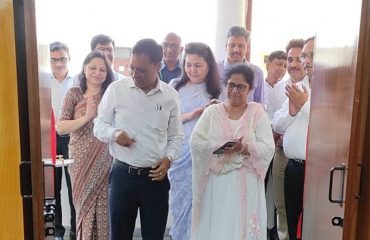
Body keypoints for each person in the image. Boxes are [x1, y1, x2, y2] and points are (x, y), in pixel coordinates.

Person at [93, 38, 183, 240]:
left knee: (154, 235)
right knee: (120, 235)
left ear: (157, 66)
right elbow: (99, 125)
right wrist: (115, 135)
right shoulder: (117, 90)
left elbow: (176, 136)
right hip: (122, 175)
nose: (134, 74)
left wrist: (169, 159)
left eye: (141, 70)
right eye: (132, 68)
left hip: (155, 178)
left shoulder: (170, 95)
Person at [190, 64, 275, 240]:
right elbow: (196, 142)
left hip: (247, 182)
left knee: (241, 227)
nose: (235, 90)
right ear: (225, 86)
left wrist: (244, 148)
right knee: (219, 225)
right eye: (231, 85)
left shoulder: (257, 113)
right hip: (218, 183)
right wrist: (222, 147)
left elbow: (268, 148)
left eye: (241, 86)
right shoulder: (212, 112)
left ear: (250, 89)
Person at [168, 42, 223, 240]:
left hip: (207, 157)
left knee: (205, 207)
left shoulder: (219, 90)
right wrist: (193, 114)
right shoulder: (175, 86)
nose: (192, 69)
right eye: (188, 64)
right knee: (180, 205)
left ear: (209, 65)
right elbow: (166, 119)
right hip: (179, 155)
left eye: (198, 65)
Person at [57, 50, 114, 240]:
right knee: (82, 208)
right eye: (93, 68)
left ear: (108, 73)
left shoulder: (111, 95)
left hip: (105, 158)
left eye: (102, 70)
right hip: (80, 159)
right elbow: (61, 127)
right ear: (84, 68)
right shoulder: (74, 93)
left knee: (104, 208)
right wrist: (87, 117)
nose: (97, 73)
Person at [272, 37, 314, 240]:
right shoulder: (297, 86)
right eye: (305, 55)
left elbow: (332, 125)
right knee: (289, 218)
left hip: (317, 171)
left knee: (312, 225)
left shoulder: (334, 86)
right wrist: (291, 112)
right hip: (293, 168)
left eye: (309, 56)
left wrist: (305, 105)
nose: (305, 61)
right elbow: (276, 124)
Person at [49, 41, 76, 239]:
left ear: (69, 58)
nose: (59, 64)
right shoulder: (42, 80)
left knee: (74, 186)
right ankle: (57, 231)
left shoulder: (77, 82)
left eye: (63, 59)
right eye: (54, 60)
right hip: (49, 140)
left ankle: (76, 230)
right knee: (53, 188)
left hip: (72, 139)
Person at [217, 26, 264, 103]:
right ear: (226, 46)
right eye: (232, 45)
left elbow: (259, 104)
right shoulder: (214, 69)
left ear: (247, 48)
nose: (236, 50)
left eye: (241, 46)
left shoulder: (257, 72)